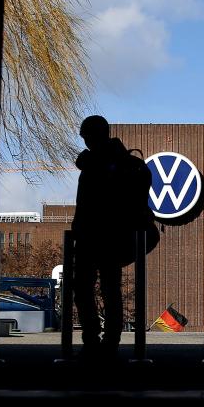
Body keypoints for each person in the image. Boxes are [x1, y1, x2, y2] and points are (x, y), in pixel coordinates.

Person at [70, 115, 153, 361]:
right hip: (109, 237)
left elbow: (86, 205)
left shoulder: (97, 165)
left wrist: (78, 232)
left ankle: (97, 339)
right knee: (108, 289)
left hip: (99, 236)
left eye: (87, 136)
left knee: (90, 288)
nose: (85, 141)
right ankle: (107, 340)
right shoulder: (122, 163)